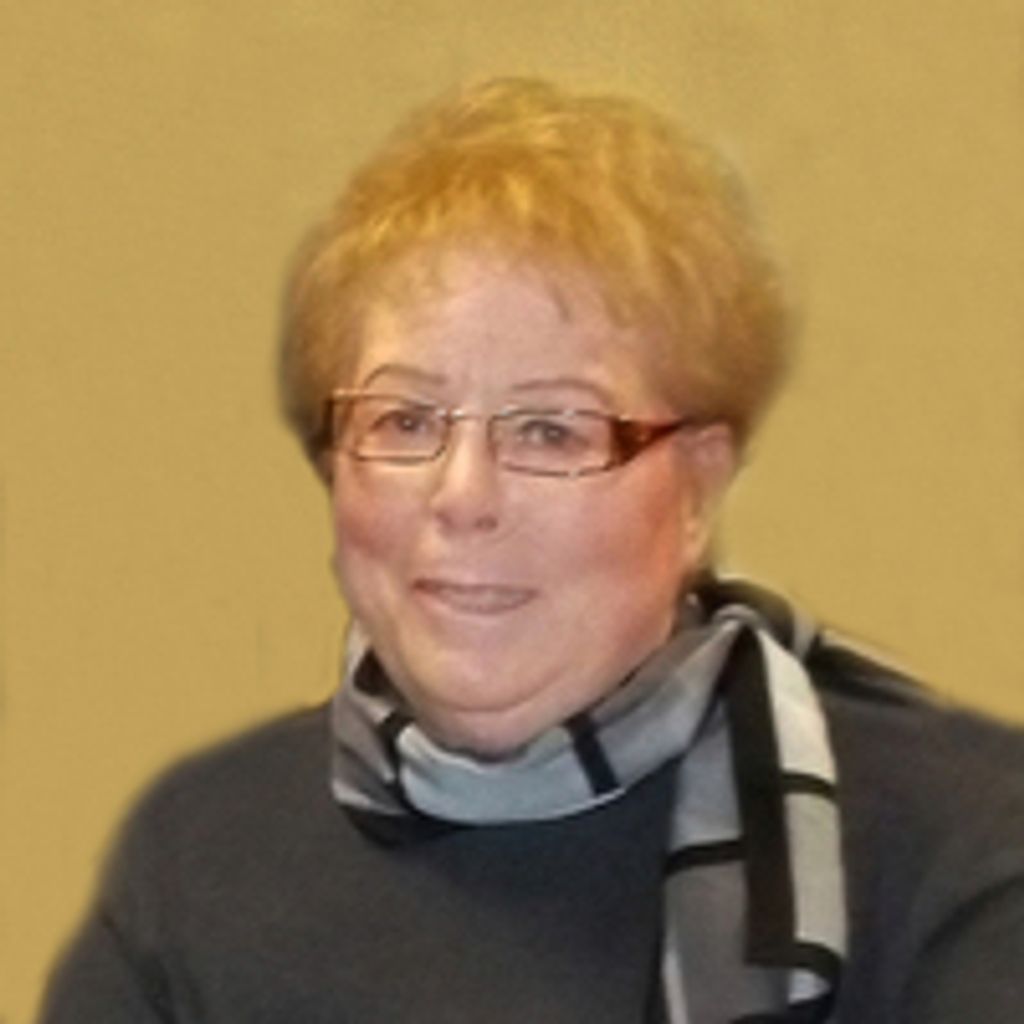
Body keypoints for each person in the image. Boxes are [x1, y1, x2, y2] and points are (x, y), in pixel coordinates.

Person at [41, 77, 1024, 1024]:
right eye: (404, 419)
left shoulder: (961, 846)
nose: (462, 497)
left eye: (551, 430)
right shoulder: (199, 856)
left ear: (697, 488)